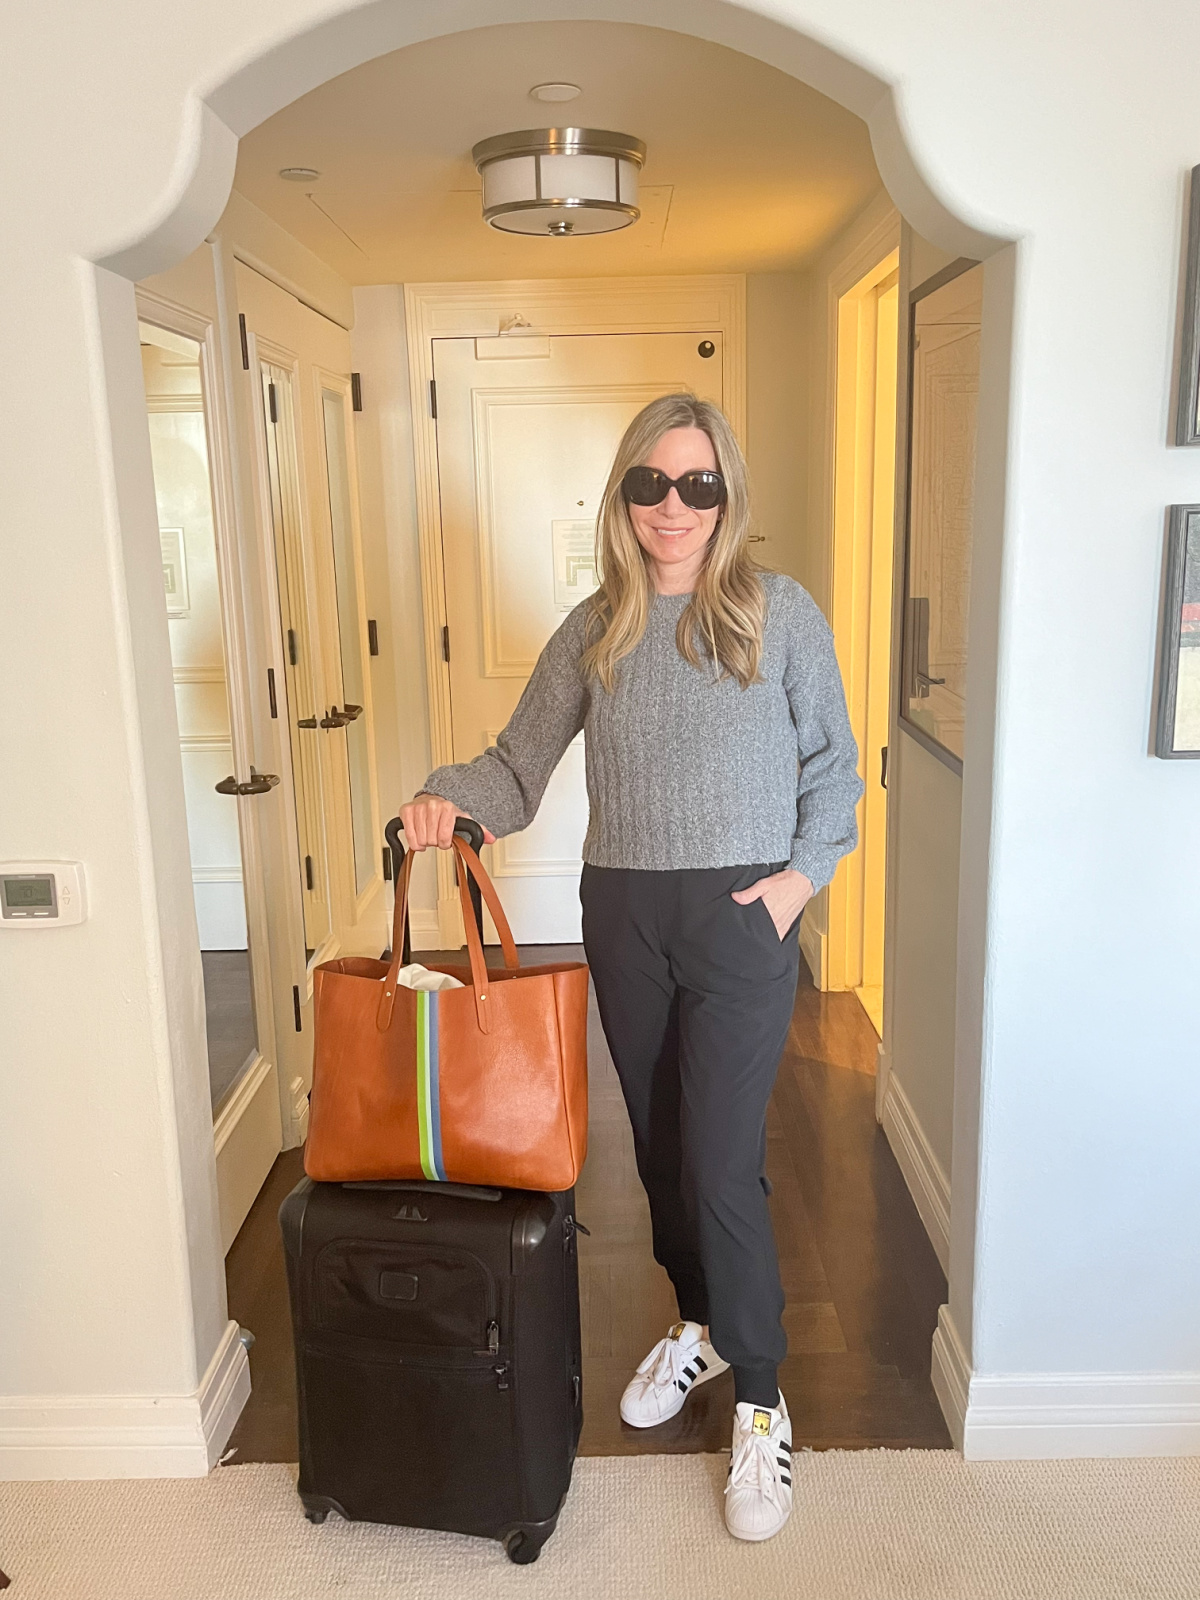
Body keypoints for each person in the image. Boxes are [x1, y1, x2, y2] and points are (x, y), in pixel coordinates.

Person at [400, 393, 862, 1542]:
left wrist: (799, 885)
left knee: (719, 1160)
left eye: (697, 485)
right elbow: (516, 767)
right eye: (650, 484)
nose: (673, 507)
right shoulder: (593, 627)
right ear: (624, 496)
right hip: (624, 911)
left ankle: (759, 1391)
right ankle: (698, 1321)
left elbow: (837, 772)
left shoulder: (777, 613)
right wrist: (444, 799)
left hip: (744, 912)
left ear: (727, 497)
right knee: (661, 1149)